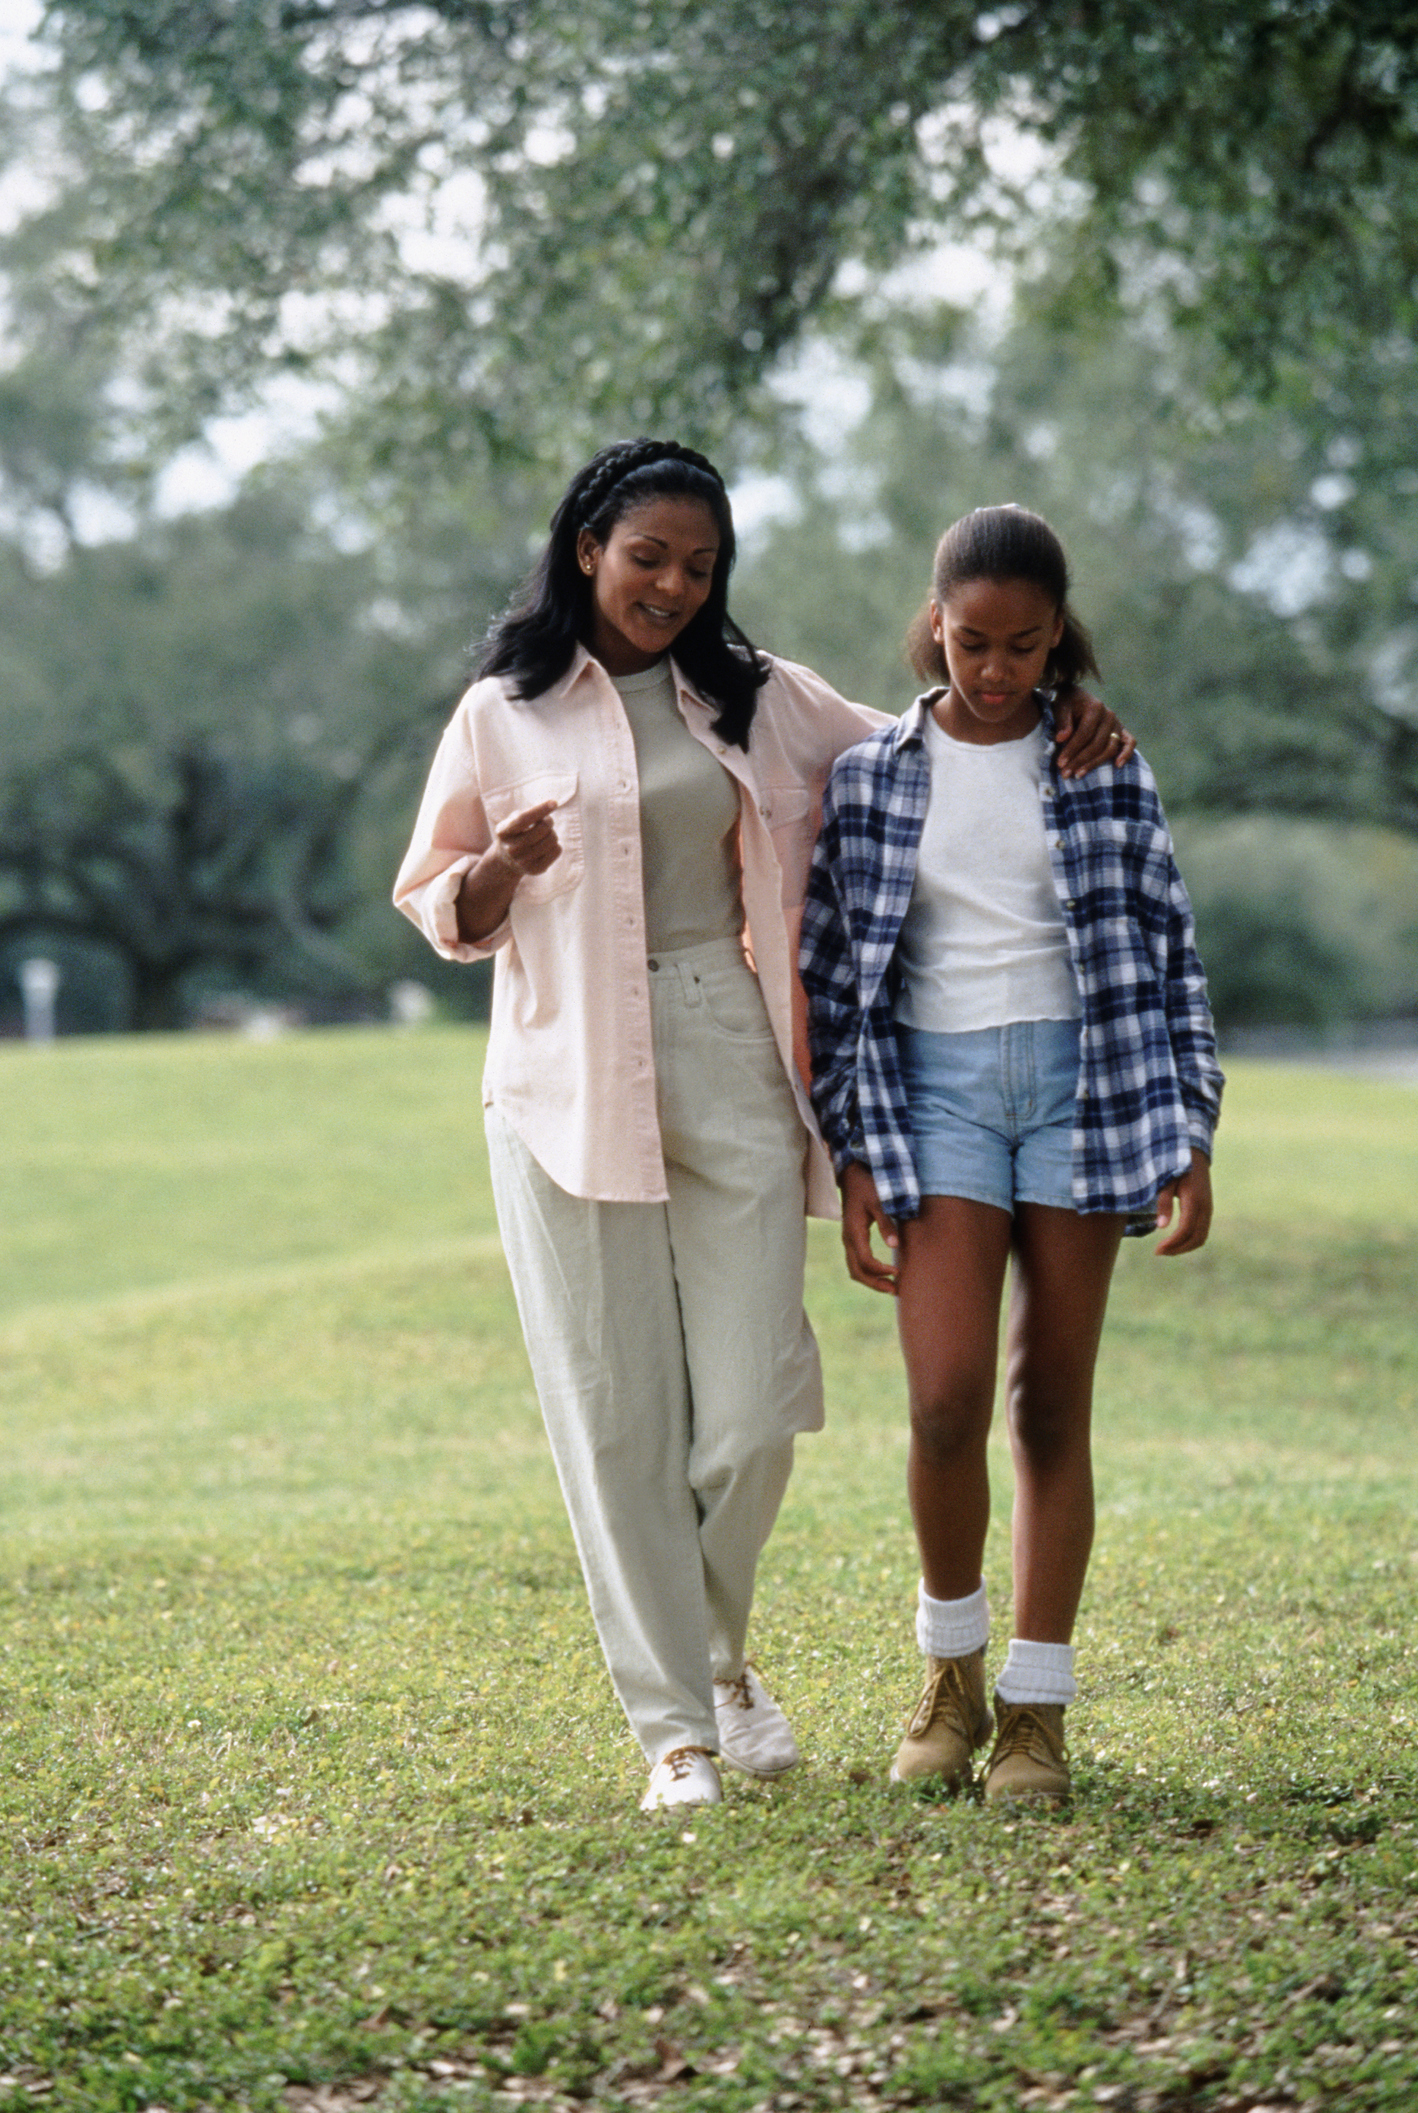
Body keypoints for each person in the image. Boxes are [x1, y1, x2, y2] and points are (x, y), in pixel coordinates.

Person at [394, 445, 1132, 1813]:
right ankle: (680, 1725)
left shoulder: (760, 697)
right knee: (614, 1415)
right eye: (647, 557)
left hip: (731, 1054)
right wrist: (496, 868)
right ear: (585, 553)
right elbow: (434, 896)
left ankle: (713, 1647)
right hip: (562, 1076)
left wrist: (1071, 716)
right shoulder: (503, 710)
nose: (674, 583)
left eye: (700, 561)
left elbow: (942, 737)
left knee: (749, 1413)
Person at [800, 503, 1223, 1804]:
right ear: (932, 623)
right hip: (934, 1093)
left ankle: (1035, 1710)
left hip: (1081, 1089)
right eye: (970, 641)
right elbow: (833, 979)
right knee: (941, 1403)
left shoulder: (1102, 762)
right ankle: (948, 1678)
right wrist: (855, 1158)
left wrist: (1189, 1129)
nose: (992, 670)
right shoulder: (872, 774)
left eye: (1022, 647)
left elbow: (1167, 948)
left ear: (1056, 642)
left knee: (1049, 1405)